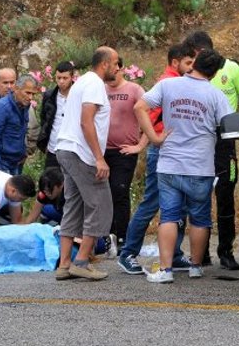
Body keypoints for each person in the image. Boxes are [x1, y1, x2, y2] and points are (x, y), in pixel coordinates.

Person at [135, 49, 233, 283]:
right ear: (216, 72)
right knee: (200, 218)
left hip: (169, 163)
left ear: (194, 63)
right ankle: (196, 267)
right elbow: (229, 126)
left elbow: (139, 107)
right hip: (200, 166)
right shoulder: (216, 95)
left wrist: (154, 138)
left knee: (169, 216)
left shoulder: (168, 86)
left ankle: (166, 271)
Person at [117, 43, 195, 275]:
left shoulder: (179, 84)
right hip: (162, 152)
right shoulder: (166, 84)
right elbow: (145, 113)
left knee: (179, 206)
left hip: (176, 152)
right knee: (151, 203)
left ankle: (176, 255)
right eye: (188, 63)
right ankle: (128, 253)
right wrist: (150, 141)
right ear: (175, 62)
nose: (192, 68)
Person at [183, 30, 239, 270]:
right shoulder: (189, 74)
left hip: (225, 138)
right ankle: (200, 253)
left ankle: (226, 251)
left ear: (200, 52)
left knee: (225, 195)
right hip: (199, 138)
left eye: (192, 55)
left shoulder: (232, 69)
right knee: (199, 194)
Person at [54, 46, 119, 281]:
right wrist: (99, 158)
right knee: (99, 204)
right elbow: (86, 121)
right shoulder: (94, 84)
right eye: (115, 63)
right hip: (81, 153)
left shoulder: (81, 82)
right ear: (104, 64)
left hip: (66, 149)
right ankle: (81, 261)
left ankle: (64, 264)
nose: (117, 68)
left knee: (74, 205)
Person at [105, 56, 147, 248]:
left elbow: (152, 116)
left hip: (125, 151)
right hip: (102, 151)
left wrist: (140, 145)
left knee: (119, 191)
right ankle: (106, 237)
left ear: (121, 68)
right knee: (103, 195)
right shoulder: (100, 90)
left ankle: (122, 238)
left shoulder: (134, 90)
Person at [0, 74, 39, 175]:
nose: (30, 97)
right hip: (1, 165)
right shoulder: (1, 107)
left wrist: (24, 153)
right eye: (28, 93)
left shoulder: (24, 106)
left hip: (16, 164)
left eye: (33, 94)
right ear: (16, 89)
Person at [37, 61, 76, 168]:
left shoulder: (78, 95)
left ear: (72, 77)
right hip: (53, 149)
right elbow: (44, 118)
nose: (61, 81)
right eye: (58, 78)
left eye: (65, 78)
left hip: (72, 150)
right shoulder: (49, 95)